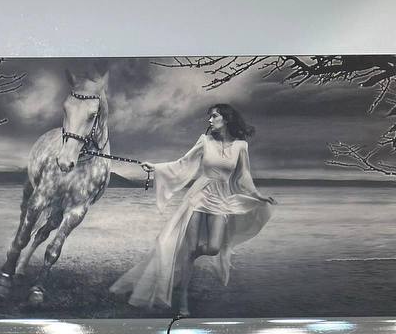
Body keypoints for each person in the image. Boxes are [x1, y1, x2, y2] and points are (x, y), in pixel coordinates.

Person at [110, 104, 276, 315]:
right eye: (210, 117)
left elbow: (244, 175)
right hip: (199, 195)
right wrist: (155, 167)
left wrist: (258, 195)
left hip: (221, 198)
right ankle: (183, 303)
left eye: (214, 116)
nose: (210, 120)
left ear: (226, 119)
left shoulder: (241, 146)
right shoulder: (204, 141)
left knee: (213, 248)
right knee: (189, 248)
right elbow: (183, 163)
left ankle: (184, 257)